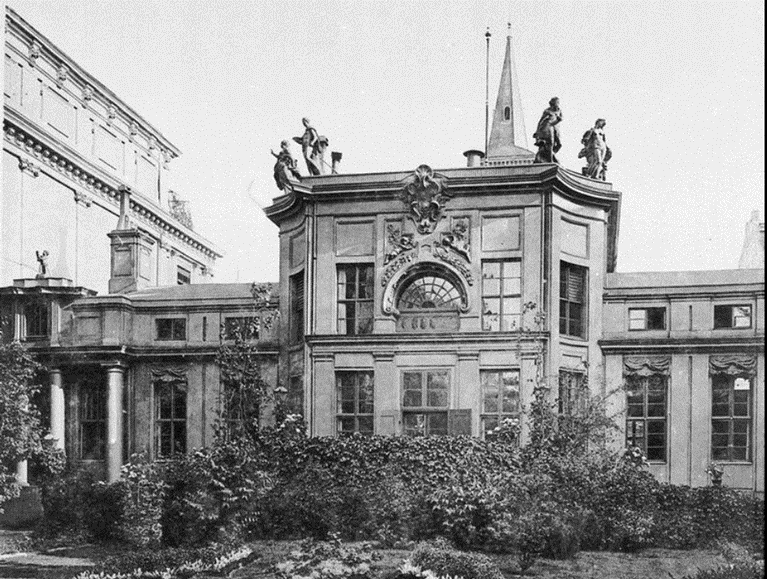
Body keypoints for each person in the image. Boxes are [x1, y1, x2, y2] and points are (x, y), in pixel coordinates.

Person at [533, 97, 563, 164]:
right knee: (550, 143)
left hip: (556, 128)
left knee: (559, 144)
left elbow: (561, 118)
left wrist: (559, 119)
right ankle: (550, 159)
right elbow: (541, 121)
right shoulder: (547, 111)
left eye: (558, 103)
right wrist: (537, 131)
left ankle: (550, 155)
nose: (557, 104)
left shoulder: (559, 110)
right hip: (548, 127)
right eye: (556, 103)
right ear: (553, 103)